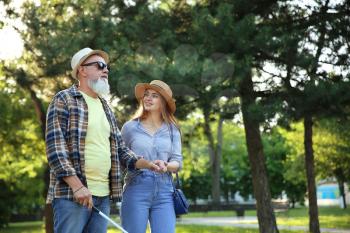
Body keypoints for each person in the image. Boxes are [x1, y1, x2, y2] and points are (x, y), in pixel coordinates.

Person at [45, 47, 160, 233]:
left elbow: (120, 150)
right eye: (99, 66)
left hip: (103, 195)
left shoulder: (105, 106)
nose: (105, 70)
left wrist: (148, 164)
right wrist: (78, 187)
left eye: (106, 67)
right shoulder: (64, 99)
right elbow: (55, 149)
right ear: (82, 70)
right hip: (72, 196)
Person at [120, 80, 183, 233]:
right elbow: (120, 159)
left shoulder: (172, 129)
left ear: (163, 102)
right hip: (136, 187)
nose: (148, 98)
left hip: (164, 191)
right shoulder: (130, 128)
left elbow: (177, 162)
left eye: (154, 96)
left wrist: (165, 166)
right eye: (146, 95)